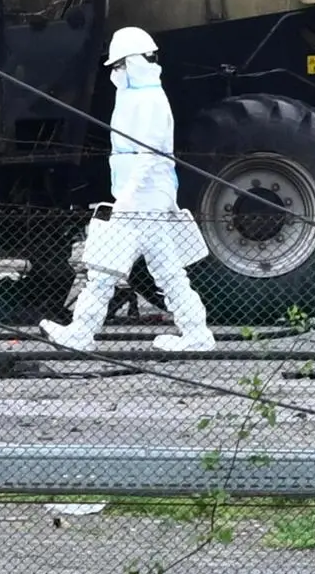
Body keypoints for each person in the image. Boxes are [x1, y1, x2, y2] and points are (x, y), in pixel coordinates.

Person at [39, 26, 216, 353]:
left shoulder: (149, 99)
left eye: (120, 66)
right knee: (166, 272)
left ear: (134, 62)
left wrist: (128, 196)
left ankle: (82, 332)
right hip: (144, 198)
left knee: (103, 267)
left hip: (142, 199)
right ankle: (196, 333)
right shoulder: (135, 96)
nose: (116, 73)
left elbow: (149, 153)